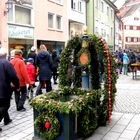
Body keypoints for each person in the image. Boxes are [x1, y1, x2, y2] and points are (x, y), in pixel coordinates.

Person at [0, 47, 19, 132]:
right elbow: (14, 76)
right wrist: (17, 86)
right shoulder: (6, 63)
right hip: (4, 89)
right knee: (5, 105)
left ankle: (6, 119)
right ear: (6, 55)